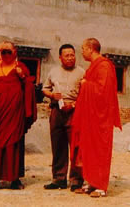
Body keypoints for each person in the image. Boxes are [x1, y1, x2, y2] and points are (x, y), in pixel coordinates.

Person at [0, 42, 36, 189]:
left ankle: (14, 179)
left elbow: (29, 87)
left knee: (13, 143)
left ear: (15, 52)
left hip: (14, 111)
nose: (6, 55)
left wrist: (22, 77)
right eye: (3, 52)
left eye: (9, 51)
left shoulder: (20, 67)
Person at [71, 38, 121, 198]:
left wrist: (86, 85)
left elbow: (102, 91)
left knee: (99, 150)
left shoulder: (104, 65)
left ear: (91, 49)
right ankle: (91, 182)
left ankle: (101, 186)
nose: (82, 52)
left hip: (101, 118)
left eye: (83, 48)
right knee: (88, 148)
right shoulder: (93, 66)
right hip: (91, 116)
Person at [42, 44, 85, 191]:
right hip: (57, 112)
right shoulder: (53, 72)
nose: (70, 58)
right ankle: (59, 179)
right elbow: (45, 88)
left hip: (75, 112)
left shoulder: (82, 73)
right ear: (60, 57)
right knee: (58, 146)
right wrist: (52, 95)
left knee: (76, 147)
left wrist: (73, 105)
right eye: (66, 55)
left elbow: (86, 94)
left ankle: (76, 180)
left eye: (72, 55)